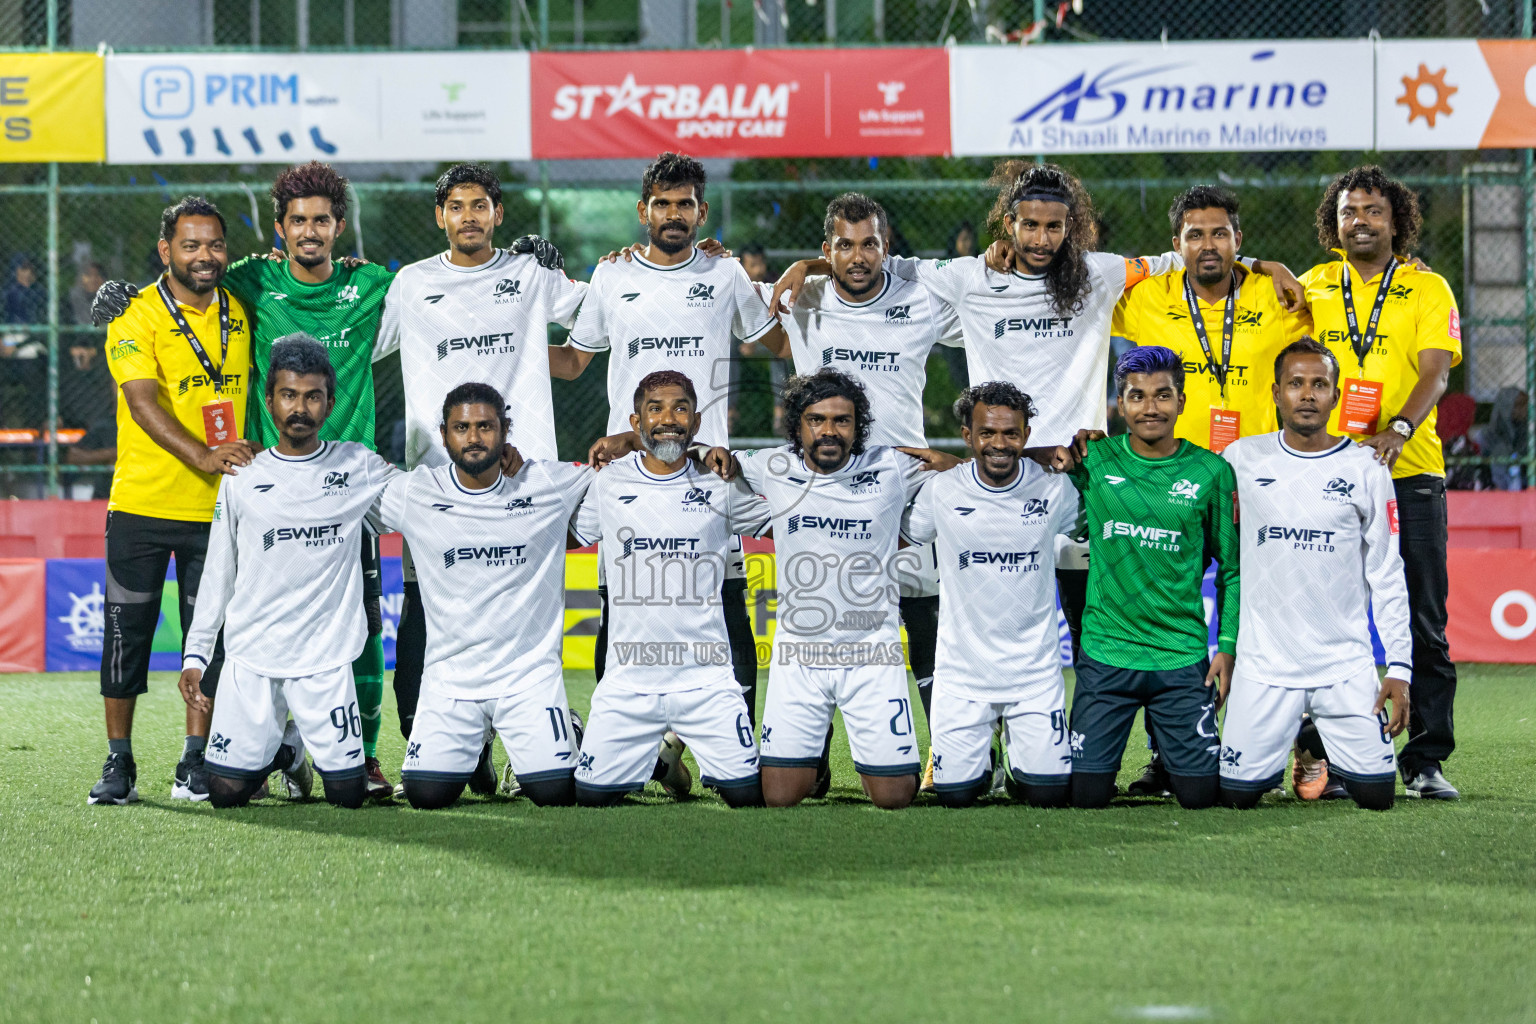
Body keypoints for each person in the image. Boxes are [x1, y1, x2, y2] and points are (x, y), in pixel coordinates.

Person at [771, 163, 1295, 679]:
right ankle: (974, 753)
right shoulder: (968, 278)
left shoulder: (1099, 274)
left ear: (1072, 227)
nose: (1041, 238)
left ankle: (1093, 752)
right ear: (1009, 225)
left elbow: (1174, 259)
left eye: (1054, 226)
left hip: (1080, 479)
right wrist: (809, 267)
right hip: (998, 480)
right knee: (986, 630)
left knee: (1093, 633)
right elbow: (887, 264)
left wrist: (1261, 263)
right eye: (1030, 225)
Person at [551, 152, 777, 763]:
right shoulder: (611, 277)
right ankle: (628, 751)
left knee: (724, 596)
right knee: (620, 605)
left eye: (685, 205)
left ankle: (734, 745)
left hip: (708, 468)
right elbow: (573, 362)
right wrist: (508, 332)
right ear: (643, 210)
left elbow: (771, 341)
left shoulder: (725, 275)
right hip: (627, 471)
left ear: (702, 211)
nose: (674, 215)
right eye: (662, 204)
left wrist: (796, 277)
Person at [373, 163, 586, 789]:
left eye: (480, 205)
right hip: (438, 485)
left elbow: (595, 321)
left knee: (527, 616)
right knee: (425, 612)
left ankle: (536, 743)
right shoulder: (412, 285)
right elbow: (354, 342)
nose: (468, 216)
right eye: (456, 206)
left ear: (499, 214)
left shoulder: (529, 275)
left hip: (524, 480)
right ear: (439, 217)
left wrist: (573, 269)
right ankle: (454, 745)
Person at [763, 191, 964, 791]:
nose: (857, 256)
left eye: (869, 243)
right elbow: (723, 301)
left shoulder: (920, 300)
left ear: (886, 247)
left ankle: (947, 755)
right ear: (827, 249)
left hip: (905, 490)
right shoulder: (803, 299)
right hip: (828, 492)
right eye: (844, 246)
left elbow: (990, 317)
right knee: (828, 618)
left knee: (924, 624)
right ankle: (810, 757)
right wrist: (803, 268)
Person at [1110, 184, 1304, 797]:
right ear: (1177, 245)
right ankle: (1168, 754)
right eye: (1195, 234)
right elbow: (1069, 294)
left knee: (1274, 610)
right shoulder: (1144, 298)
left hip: (1260, 479)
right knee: (1168, 615)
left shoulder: (1276, 292)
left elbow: (1349, 295)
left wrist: (1409, 266)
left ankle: (1297, 747)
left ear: (1239, 241)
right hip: (1174, 481)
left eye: (1220, 233)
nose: (1208, 244)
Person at [1295, 165, 1463, 800]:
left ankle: (1424, 759)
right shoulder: (1309, 288)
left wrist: (1395, 427)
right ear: (1333, 223)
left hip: (1410, 471)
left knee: (1425, 620)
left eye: (1371, 210)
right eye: (1347, 212)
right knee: (1323, 620)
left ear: (1397, 220)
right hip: (1328, 476)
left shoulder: (1428, 289)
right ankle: (1331, 759)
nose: (1358, 220)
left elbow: (1436, 374)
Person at [176, 334, 399, 808]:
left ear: (329, 403)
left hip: (324, 658)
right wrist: (196, 657)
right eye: (289, 395)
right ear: (270, 400)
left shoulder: (357, 466)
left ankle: (303, 748)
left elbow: (422, 505)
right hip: (252, 656)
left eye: (313, 396)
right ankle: (286, 751)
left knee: (348, 796)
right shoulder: (242, 474)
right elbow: (218, 572)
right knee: (225, 793)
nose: (300, 408)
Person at [89, 196, 254, 805]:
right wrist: (205, 455)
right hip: (141, 505)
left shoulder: (242, 306)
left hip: (218, 511)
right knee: (125, 635)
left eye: (214, 244)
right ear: (166, 251)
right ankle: (118, 762)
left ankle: (194, 760)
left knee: (205, 641)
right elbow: (142, 402)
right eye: (191, 245)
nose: (205, 256)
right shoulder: (133, 317)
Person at [731, 368, 955, 809]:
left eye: (842, 420)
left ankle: (881, 760)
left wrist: (952, 463)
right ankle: (813, 761)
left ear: (858, 427)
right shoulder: (773, 466)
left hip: (873, 650)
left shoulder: (890, 465)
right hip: (800, 652)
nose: (829, 430)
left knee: (894, 798)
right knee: (778, 798)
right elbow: (706, 459)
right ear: (798, 425)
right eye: (816, 420)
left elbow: (961, 476)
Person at [375, 382, 591, 809]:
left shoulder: (549, 482)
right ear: (444, 435)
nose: (473, 438)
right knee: (425, 795)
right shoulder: (415, 492)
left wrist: (624, 442)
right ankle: (474, 746)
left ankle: (568, 728)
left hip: (528, 679)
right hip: (451, 682)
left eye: (485, 426)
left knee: (555, 793)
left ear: (506, 430)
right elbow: (346, 487)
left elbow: (620, 476)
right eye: (462, 427)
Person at [1218, 339, 1412, 811]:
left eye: (1319, 385)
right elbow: (1221, 557)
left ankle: (1311, 744)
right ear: (1276, 393)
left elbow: (1388, 572)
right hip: (1265, 666)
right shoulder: (1241, 459)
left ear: (1336, 396)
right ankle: (1297, 741)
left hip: (1343, 666)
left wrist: (1400, 668)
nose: (1307, 394)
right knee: (1235, 797)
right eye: (1296, 384)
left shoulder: (1367, 467)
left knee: (1377, 796)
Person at [570, 370, 770, 808]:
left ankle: (675, 752)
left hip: (706, 681)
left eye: (680, 408)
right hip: (629, 681)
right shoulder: (609, 482)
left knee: (748, 796)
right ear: (635, 422)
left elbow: (786, 516)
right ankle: (664, 766)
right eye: (655, 409)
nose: (668, 418)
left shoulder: (720, 483)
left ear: (696, 423)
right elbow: (568, 538)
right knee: (590, 797)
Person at [1059, 346, 1239, 811]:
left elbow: (1233, 571)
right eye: (1137, 397)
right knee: (1084, 796)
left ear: (1182, 401)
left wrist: (1227, 646)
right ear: (1120, 404)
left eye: (1162, 395)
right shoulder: (1094, 459)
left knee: (1199, 797)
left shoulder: (1212, 472)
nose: (1150, 408)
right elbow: (1025, 455)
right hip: (1106, 654)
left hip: (1179, 656)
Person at [901, 381, 1079, 808]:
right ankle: (989, 761)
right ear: (968, 436)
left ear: (1026, 435)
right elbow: (904, 536)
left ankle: (1021, 755)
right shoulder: (941, 490)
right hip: (963, 676)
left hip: (1033, 675)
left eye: (1011, 433)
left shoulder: (1053, 489)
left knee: (1048, 795)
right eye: (987, 433)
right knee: (955, 795)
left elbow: (1099, 523)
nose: (999, 444)